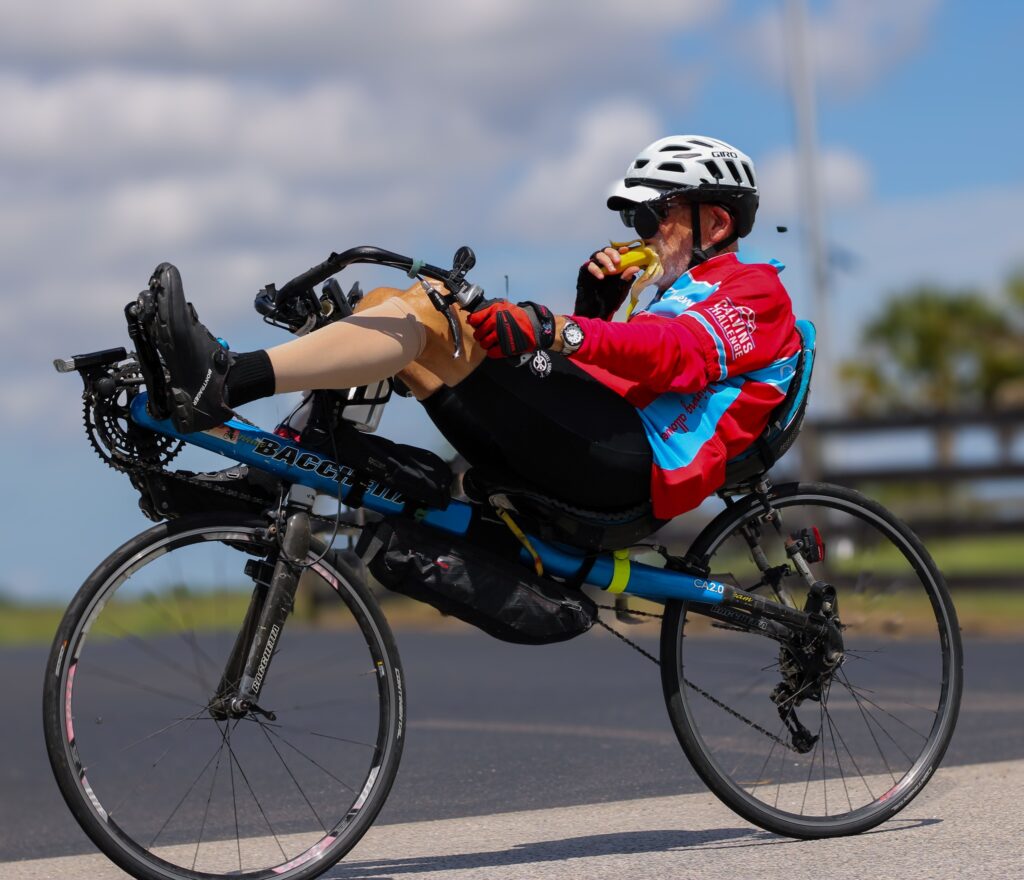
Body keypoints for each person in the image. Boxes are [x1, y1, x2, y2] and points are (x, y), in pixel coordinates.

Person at [144, 135, 800, 520]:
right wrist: (591, 309)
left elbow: (673, 358)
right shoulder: (674, 293)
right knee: (394, 312)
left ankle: (227, 381)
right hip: (603, 443)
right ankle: (266, 479)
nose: (641, 234)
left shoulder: (753, 290)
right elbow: (613, 372)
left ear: (715, 224)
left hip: (637, 470)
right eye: (635, 222)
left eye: (654, 217)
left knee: (432, 310)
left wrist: (555, 329)